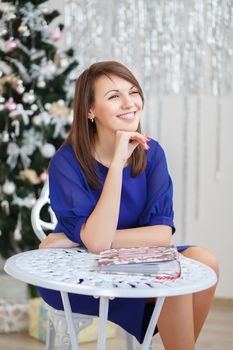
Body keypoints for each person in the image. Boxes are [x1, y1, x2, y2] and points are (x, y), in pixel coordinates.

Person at [39, 61, 219, 349]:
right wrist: (117, 164)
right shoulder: (66, 162)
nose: (129, 103)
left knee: (206, 262)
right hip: (82, 273)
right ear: (89, 111)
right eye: (113, 96)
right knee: (175, 282)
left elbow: (161, 234)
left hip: (136, 260)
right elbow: (97, 245)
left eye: (133, 92)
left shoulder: (152, 152)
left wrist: (76, 240)